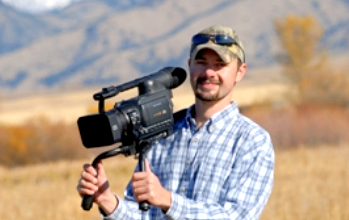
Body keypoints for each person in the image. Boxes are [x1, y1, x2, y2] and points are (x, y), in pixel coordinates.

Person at [77, 25, 275, 219]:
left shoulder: (252, 142)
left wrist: (169, 201)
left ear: (240, 72)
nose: (208, 72)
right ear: (190, 65)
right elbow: (143, 215)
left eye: (220, 65)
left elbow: (237, 216)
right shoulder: (161, 132)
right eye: (201, 62)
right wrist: (108, 202)